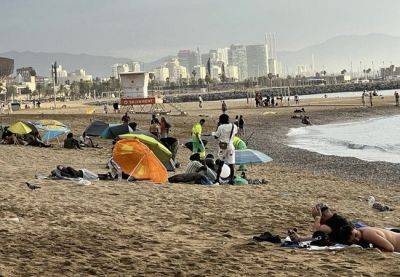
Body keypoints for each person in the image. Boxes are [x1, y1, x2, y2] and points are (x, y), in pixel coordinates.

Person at [214, 114, 237, 184]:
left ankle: (217, 179)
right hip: (231, 145)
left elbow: (216, 136)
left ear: (221, 120)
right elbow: (235, 133)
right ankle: (232, 180)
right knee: (231, 163)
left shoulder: (221, 127)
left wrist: (218, 126)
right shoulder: (234, 126)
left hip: (223, 146)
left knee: (221, 163)